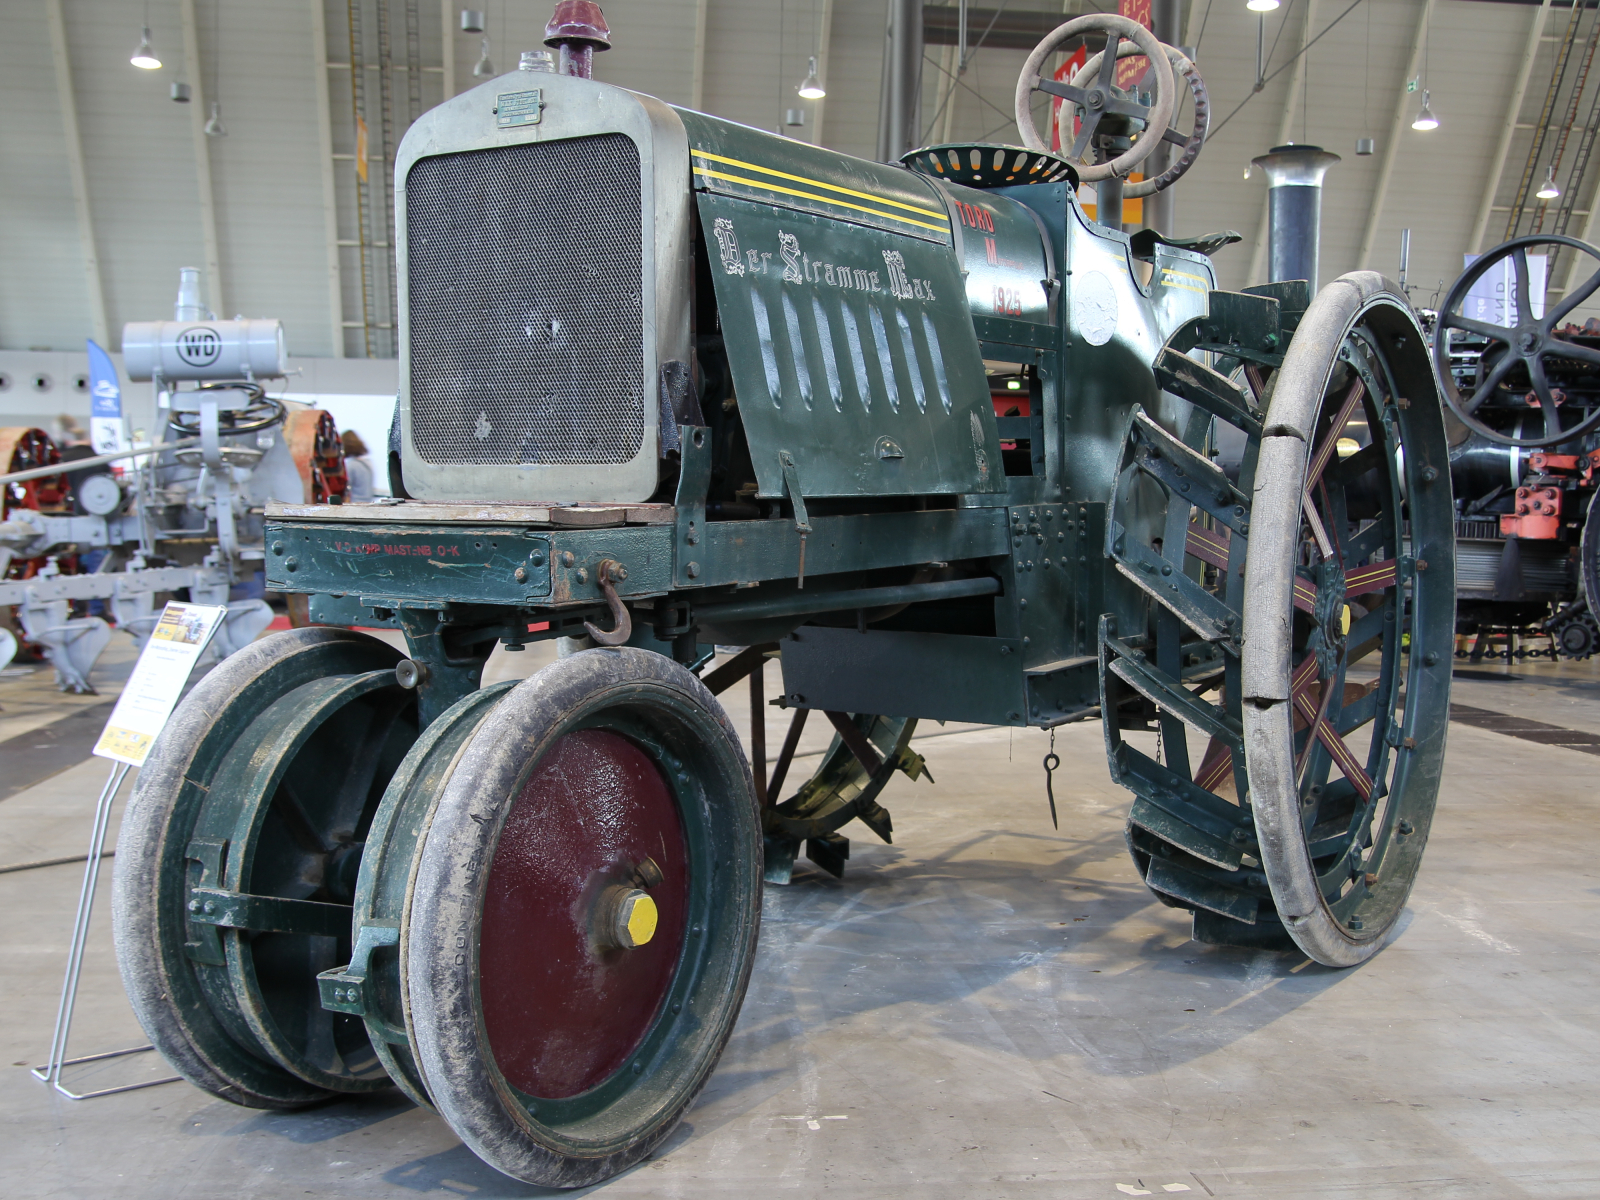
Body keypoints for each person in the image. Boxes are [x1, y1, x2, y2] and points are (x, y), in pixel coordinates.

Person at [342, 429, 375, 501]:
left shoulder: (351, 465)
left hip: (354, 504)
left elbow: (344, 489)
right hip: (367, 503)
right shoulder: (367, 464)